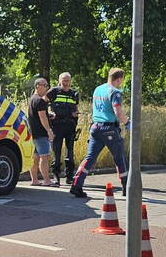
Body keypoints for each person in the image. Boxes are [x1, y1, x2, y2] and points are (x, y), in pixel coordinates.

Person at [70, 68, 128, 198]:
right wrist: (127, 122)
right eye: (121, 80)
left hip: (95, 127)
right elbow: (118, 113)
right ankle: (126, 186)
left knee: (89, 158)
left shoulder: (98, 89)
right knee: (119, 157)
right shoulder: (115, 92)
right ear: (119, 79)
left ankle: (76, 184)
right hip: (109, 128)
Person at [46, 72, 80, 184]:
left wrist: (76, 114)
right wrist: (49, 112)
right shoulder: (54, 91)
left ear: (70, 81)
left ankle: (69, 176)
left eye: (68, 80)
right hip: (57, 126)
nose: (66, 83)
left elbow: (76, 107)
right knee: (56, 153)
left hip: (70, 126)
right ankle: (56, 176)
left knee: (70, 153)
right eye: (64, 80)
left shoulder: (74, 93)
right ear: (59, 80)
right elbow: (43, 103)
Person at [27, 77, 55, 186]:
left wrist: (48, 115)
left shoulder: (32, 99)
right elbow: (42, 117)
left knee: (35, 158)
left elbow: (37, 115)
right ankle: (47, 180)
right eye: (45, 85)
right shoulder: (40, 100)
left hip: (33, 133)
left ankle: (34, 180)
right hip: (41, 133)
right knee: (45, 157)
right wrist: (49, 131)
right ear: (38, 86)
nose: (47, 88)